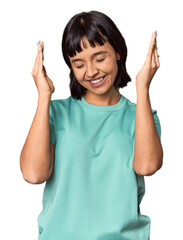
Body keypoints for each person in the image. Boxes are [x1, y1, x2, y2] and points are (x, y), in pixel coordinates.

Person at [20, 10, 163, 240]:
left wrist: (143, 87)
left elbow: (147, 166)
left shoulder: (140, 116)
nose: (91, 71)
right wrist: (43, 97)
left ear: (117, 52)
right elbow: (33, 174)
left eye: (99, 58)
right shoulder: (56, 113)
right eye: (78, 64)